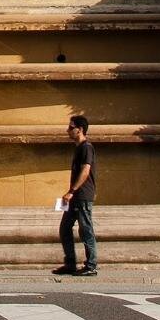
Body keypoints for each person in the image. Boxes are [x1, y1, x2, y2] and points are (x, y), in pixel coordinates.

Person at [55, 112, 97, 276]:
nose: (67, 130)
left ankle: (91, 265)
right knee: (65, 228)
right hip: (75, 197)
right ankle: (70, 263)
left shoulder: (86, 147)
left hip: (81, 196)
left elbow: (86, 171)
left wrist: (71, 191)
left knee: (86, 230)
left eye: (70, 127)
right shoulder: (79, 148)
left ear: (79, 129)